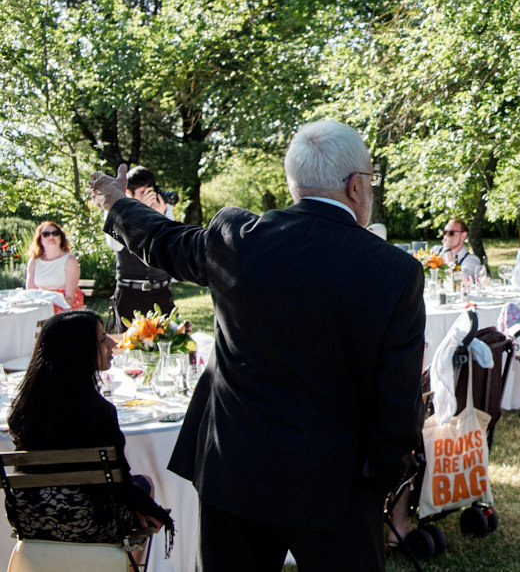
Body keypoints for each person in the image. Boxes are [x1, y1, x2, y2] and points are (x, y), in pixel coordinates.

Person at [89, 119, 426, 572]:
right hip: (335, 484)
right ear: (354, 186)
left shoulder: (236, 239)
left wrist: (115, 202)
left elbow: (163, 240)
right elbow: (398, 405)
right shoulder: (393, 271)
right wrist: (378, 481)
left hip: (237, 471)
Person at [5, 309, 172, 549]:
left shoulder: (23, 409)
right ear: (79, 350)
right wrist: (152, 509)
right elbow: (120, 484)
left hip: (31, 519)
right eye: (103, 338)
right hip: (89, 522)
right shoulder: (98, 412)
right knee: (143, 487)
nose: (112, 343)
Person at [103, 167, 176, 331]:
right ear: (129, 192)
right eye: (143, 192)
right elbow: (114, 244)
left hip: (160, 289)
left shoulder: (162, 207)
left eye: (150, 190)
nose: (149, 196)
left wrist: (157, 217)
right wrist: (138, 214)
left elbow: (170, 246)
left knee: (168, 343)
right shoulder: (117, 209)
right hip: (130, 291)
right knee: (131, 347)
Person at [24, 220, 84, 310]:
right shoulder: (34, 261)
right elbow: (31, 294)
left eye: (55, 233)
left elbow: (69, 300)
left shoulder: (70, 260)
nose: (51, 236)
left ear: (60, 237)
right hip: (41, 306)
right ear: (40, 239)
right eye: (46, 234)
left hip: (65, 308)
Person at [430, 218, 486, 282]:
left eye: (451, 233)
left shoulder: (472, 259)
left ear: (463, 235)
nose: (447, 236)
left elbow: (459, 279)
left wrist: (448, 251)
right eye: (445, 232)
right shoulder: (436, 250)